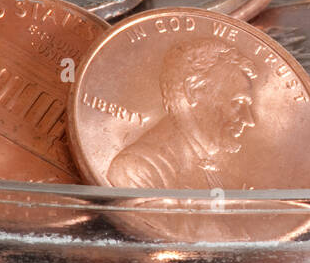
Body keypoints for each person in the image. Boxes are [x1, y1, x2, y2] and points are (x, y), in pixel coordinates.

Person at [107, 38, 258, 190]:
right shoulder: (136, 168)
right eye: (237, 102)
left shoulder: (221, 171)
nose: (249, 120)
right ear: (192, 91)